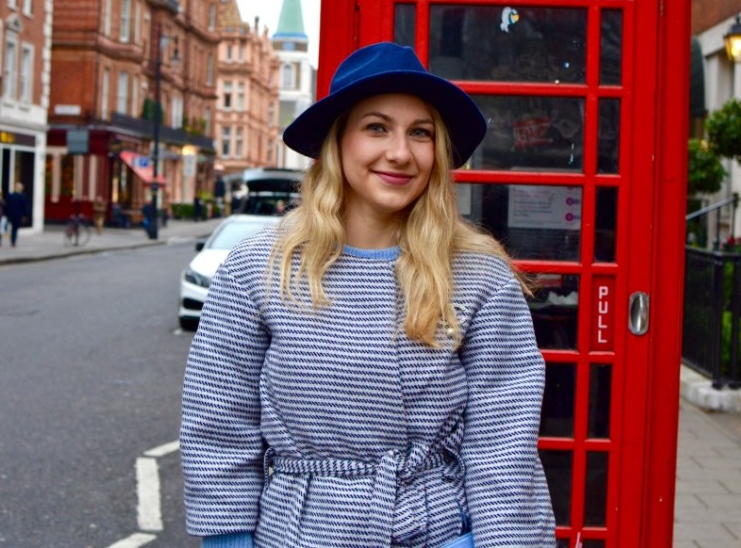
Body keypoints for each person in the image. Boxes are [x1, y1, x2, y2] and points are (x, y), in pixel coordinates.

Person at [181, 42, 555, 547]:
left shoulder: (479, 276)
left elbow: (503, 442)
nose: (400, 152)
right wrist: (227, 540)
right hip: (298, 534)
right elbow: (218, 420)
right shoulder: (259, 266)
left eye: (420, 133)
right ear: (338, 143)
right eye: (376, 127)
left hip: (437, 532)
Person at [4, 182, 30, 248]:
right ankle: (13, 242)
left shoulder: (12, 196)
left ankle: (12, 241)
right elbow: (25, 206)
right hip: (16, 215)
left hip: (13, 215)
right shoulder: (21, 196)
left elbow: (6, 206)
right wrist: (25, 215)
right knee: (14, 229)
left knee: (13, 228)